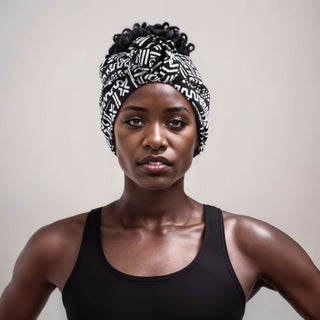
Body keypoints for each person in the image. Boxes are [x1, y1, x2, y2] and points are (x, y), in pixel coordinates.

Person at [0, 22, 319, 320]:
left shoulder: (246, 242)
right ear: (112, 132)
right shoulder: (56, 246)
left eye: (176, 122)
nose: (154, 140)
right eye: (135, 120)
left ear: (198, 136)